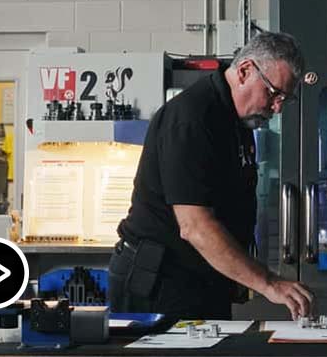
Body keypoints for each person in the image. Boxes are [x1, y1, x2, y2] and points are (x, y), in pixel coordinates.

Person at [109, 32, 313, 321]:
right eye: (273, 93)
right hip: (159, 283)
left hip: (201, 278)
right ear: (244, 71)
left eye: (285, 99)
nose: (277, 107)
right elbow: (195, 226)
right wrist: (267, 282)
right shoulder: (192, 118)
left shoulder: (236, 120)